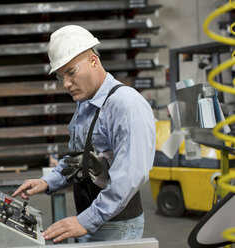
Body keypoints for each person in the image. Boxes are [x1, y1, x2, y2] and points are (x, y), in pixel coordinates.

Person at [12, 25, 156, 243]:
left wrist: (85, 221)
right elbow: (78, 159)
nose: (66, 84)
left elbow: (129, 177)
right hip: (91, 220)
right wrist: (48, 181)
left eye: (71, 72)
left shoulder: (125, 104)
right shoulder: (86, 104)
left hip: (115, 225)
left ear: (94, 61)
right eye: (61, 77)